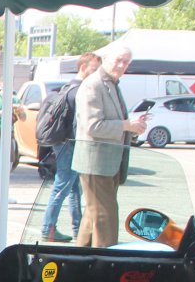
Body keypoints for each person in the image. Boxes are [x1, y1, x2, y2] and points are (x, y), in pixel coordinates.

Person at [73, 46, 148, 247]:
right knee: (106, 217)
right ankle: (104, 266)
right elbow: (92, 125)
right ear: (105, 59)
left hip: (109, 160)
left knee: (93, 215)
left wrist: (132, 126)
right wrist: (126, 125)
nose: (122, 65)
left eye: (126, 62)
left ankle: (78, 262)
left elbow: (112, 122)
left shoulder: (112, 84)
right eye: (119, 60)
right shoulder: (93, 85)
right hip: (95, 162)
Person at [37, 52, 101, 242]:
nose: (97, 74)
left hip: (62, 142)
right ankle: (48, 229)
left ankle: (78, 229)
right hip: (70, 143)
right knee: (63, 186)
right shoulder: (80, 90)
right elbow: (78, 124)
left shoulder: (67, 87)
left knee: (73, 187)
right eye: (94, 69)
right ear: (83, 67)